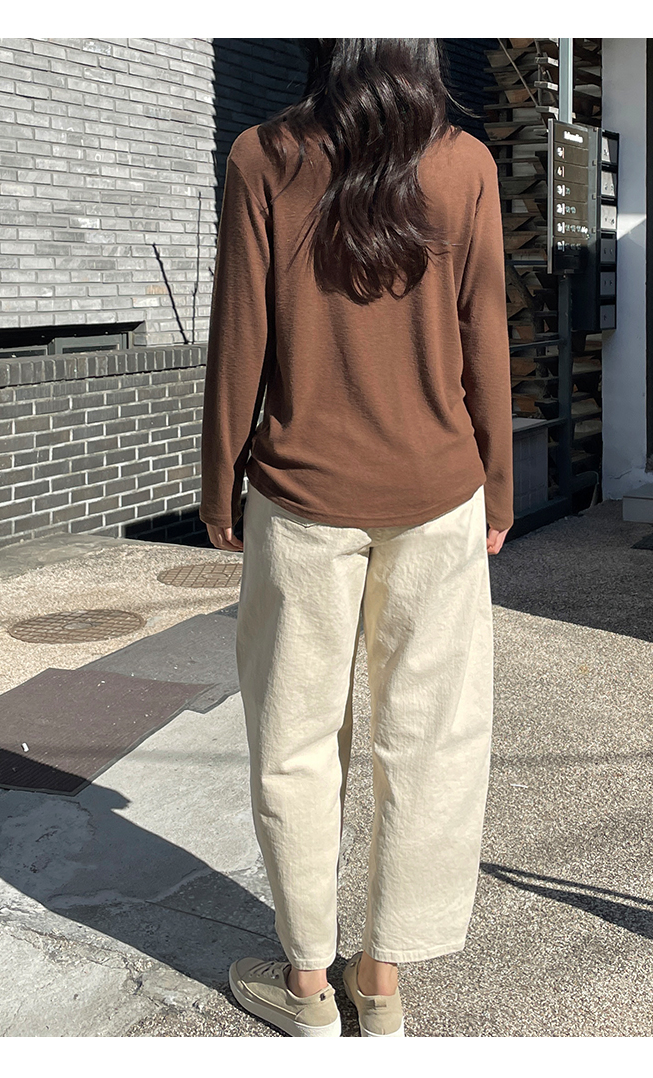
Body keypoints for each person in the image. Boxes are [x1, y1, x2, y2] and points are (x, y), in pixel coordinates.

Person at [200, 38, 513, 1037]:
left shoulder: (263, 156)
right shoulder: (465, 164)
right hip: (439, 492)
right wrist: (499, 488)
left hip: (300, 495)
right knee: (433, 738)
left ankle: (306, 987)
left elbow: (239, 332)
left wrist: (218, 483)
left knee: (293, 738)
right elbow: (486, 332)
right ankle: (380, 980)